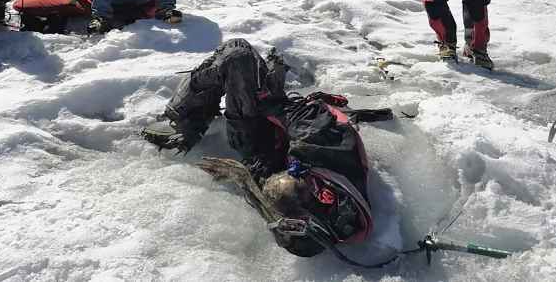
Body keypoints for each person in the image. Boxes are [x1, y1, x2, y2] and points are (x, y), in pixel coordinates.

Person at [141, 39, 389, 258]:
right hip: (276, 143)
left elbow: (280, 207)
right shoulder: (323, 145)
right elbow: (298, 115)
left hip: (260, 149)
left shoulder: (314, 217)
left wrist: (245, 174)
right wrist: (268, 98)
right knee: (254, 74)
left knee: (237, 53)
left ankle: (183, 120)